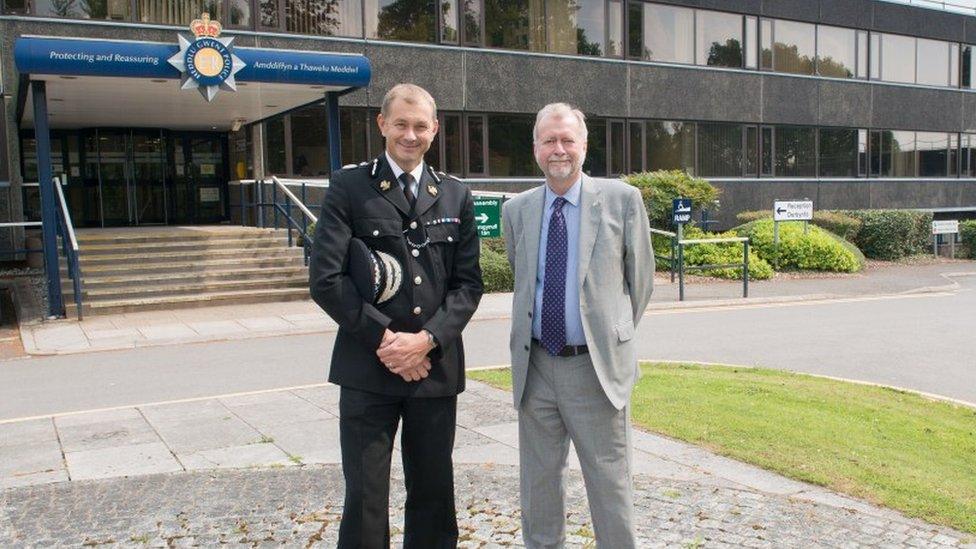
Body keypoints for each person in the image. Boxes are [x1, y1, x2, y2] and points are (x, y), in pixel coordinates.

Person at [309, 83, 483, 548]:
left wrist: (426, 341)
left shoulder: (454, 194)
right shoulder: (349, 186)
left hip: (433, 369)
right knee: (365, 496)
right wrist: (388, 341)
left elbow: (468, 285)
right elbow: (326, 280)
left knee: (432, 491)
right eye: (401, 124)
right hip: (368, 367)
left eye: (420, 126)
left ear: (435, 130)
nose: (411, 135)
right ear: (382, 124)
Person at [501, 102, 654, 548]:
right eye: (549, 140)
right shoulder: (519, 211)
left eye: (567, 139)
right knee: (539, 489)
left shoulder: (623, 200)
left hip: (596, 371)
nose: (559, 149)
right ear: (535, 149)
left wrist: (608, 335)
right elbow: (524, 277)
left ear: (584, 145)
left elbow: (639, 284)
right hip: (536, 370)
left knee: (610, 488)